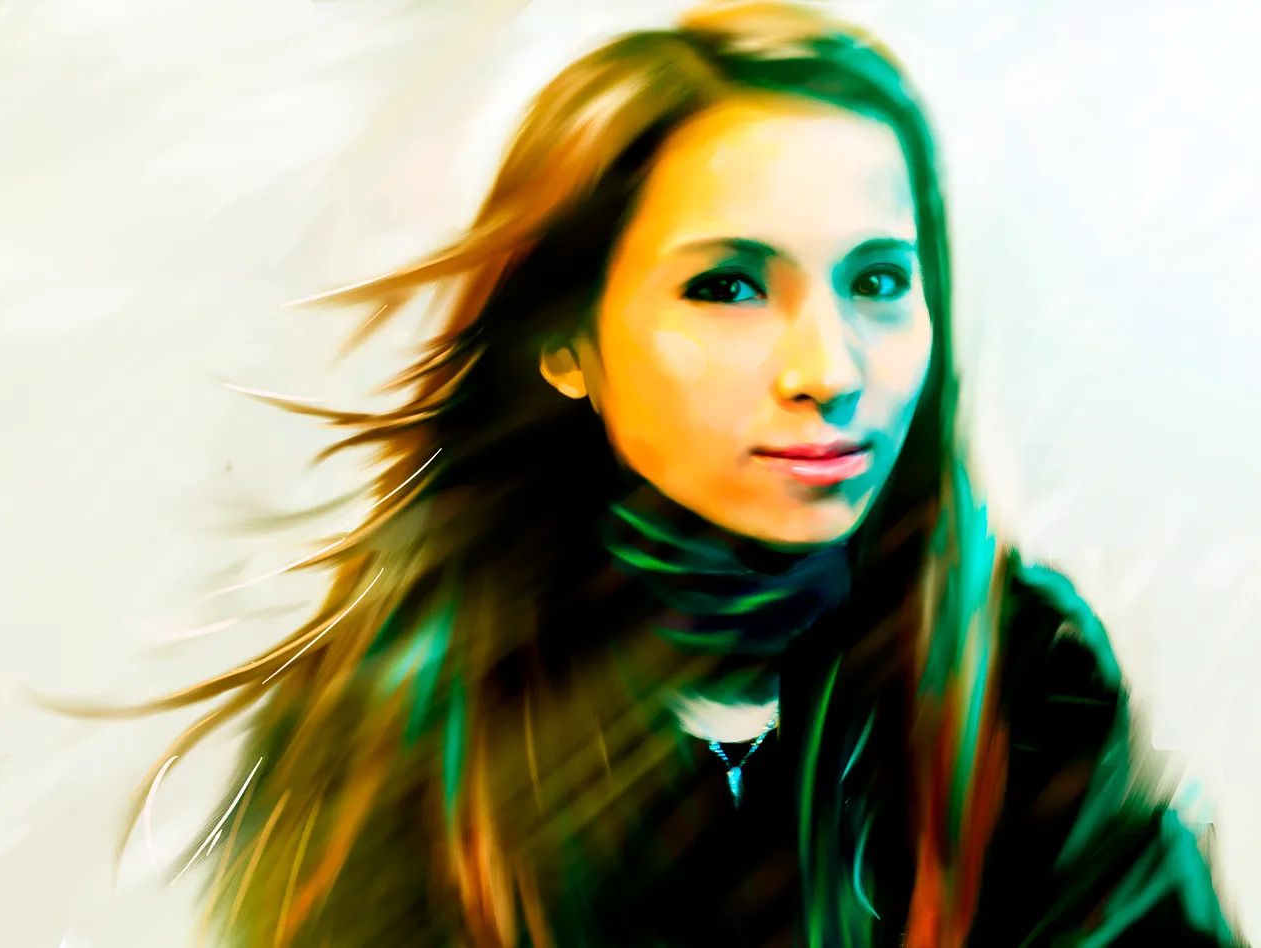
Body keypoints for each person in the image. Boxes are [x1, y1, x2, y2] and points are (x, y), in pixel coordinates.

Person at [112, 3, 1243, 945]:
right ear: (569, 342)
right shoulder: (395, 732)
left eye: (879, 282)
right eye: (730, 287)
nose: (829, 369)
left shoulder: (1018, 669)